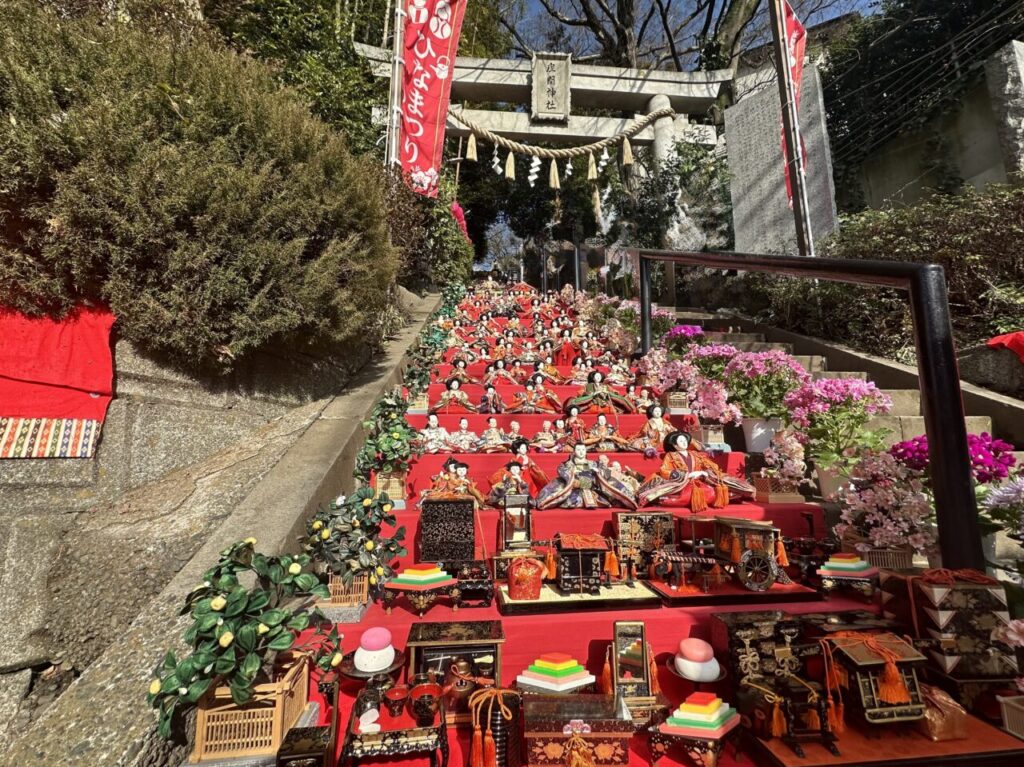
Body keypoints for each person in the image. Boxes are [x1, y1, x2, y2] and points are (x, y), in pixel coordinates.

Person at [636, 431, 754, 512]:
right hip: (682, 482)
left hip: (700, 480)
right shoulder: (671, 456)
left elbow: (711, 465)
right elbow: (665, 471)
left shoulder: (695, 454)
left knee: (721, 488)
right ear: (674, 445)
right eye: (680, 441)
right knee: (673, 495)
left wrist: (705, 473)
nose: (684, 443)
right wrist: (687, 475)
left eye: (684, 440)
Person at [535, 443, 638, 509]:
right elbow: (564, 473)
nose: (581, 452)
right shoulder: (566, 464)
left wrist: (598, 473)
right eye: (578, 450)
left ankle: (630, 499)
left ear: (586, 451)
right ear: (574, 452)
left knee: (611, 481)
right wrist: (575, 478)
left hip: (594, 488)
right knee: (558, 484)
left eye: (583, 450)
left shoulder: (594, 463)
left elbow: (606, 473)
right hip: (574, 489)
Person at [566, 370, 636, 414]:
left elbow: (615, 393)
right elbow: (580, 394)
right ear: (593, 378)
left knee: (614, 409)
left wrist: (608, 393)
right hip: (592, 404)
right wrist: (593, 395)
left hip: (606, 404)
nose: (598, 377)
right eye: (596, 376)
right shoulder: (587, 386)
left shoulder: (606, 386)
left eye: (599, 376)